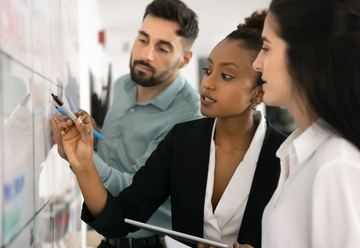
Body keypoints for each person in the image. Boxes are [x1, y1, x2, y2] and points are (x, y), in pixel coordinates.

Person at [52, 10, 286, 248]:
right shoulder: (182, 139)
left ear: (260, 91)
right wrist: (83, 163)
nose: (208, 83)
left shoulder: (286, 157)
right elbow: (123, 215)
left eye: (226, 75)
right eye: (208, 70)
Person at [244, 0, 360, 247]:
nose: (256, 63)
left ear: (307, 56)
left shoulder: (336, 163)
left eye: (266, 47)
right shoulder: (302, 156)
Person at [52, 1, 201, 248]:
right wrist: (87, 134)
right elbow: (111, 154)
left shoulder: (189, 117)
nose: (145, 54)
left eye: (163, 48)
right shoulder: (123, 85)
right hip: (107, 238)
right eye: (143, 39)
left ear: (185, 59)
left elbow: (133, 191)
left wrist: (81, 157)